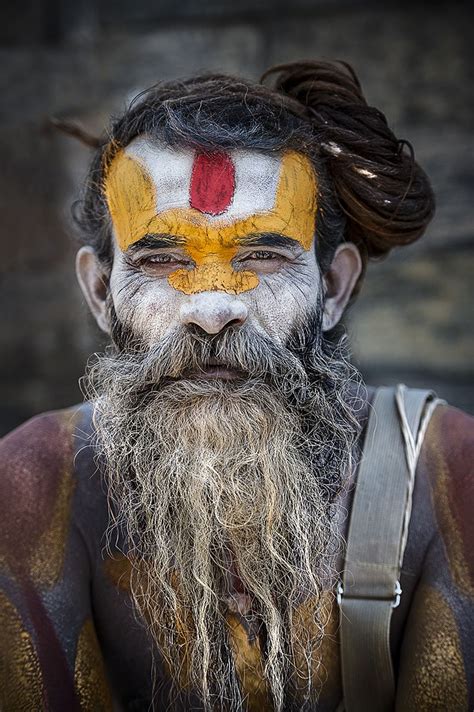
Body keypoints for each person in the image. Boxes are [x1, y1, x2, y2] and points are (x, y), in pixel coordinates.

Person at [0, 61, 472, 712]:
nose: (214, 308)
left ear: (333, 288)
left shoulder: (453, 477)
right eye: (161, 260)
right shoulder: (27, 489)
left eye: (262, 256)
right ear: (101, 291)